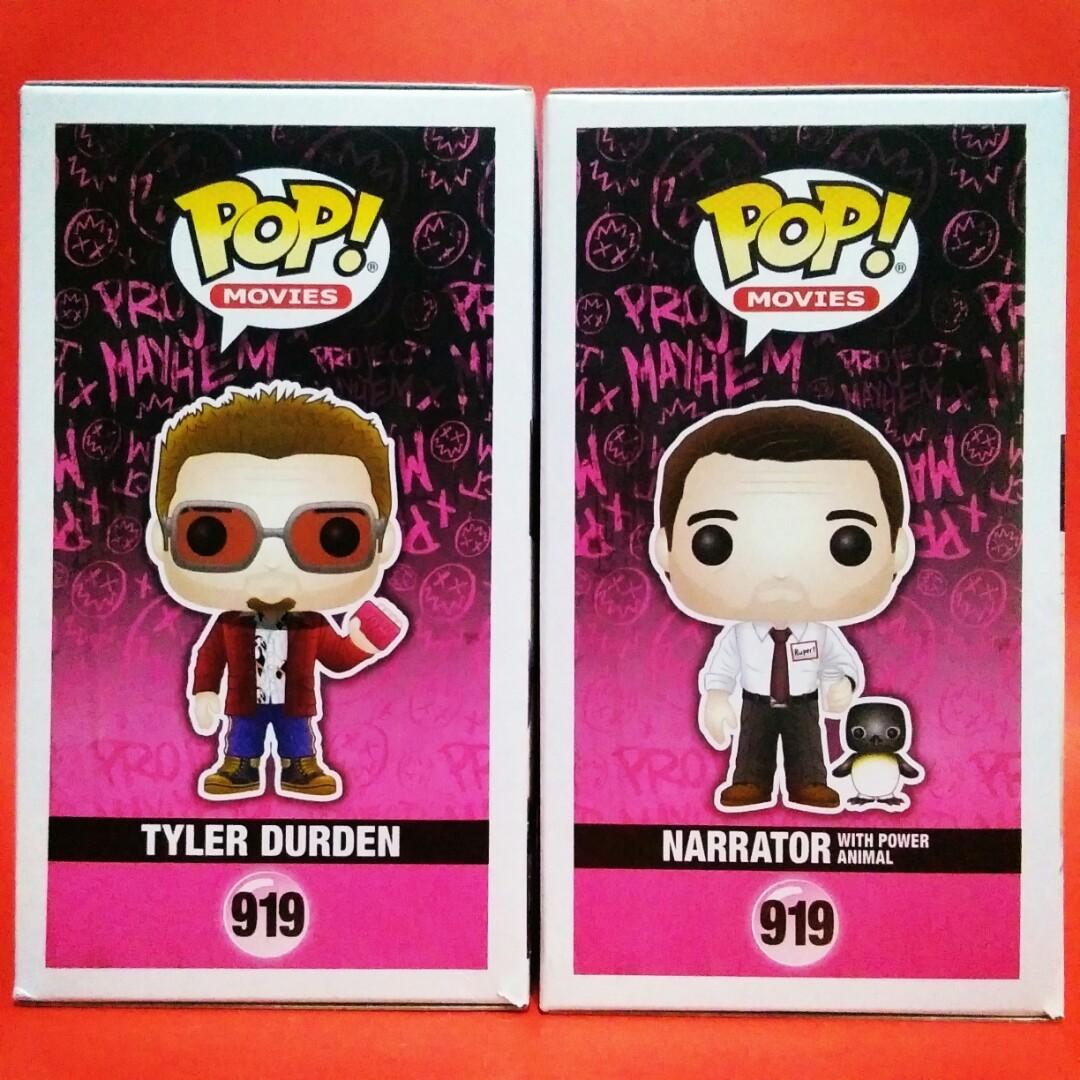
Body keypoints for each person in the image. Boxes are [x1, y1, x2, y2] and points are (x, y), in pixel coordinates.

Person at [146, 380, 406, 801]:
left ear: (384, 541)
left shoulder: (312, 624)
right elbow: (209, 659)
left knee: (297, 736)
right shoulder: (229, 625)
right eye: (214, 535)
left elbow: (336, 658)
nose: (271, 568)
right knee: (243, 736)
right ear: (161, 540)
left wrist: (365, 641)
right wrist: (204, 692)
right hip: (244, 701)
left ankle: (300, 767)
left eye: (332, 536)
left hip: (294, 702)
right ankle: (239, 766)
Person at [650, 401, 913, 812]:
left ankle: (810, 782)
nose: (781, 574)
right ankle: (749, 782)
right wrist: (715, 698)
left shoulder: (821, 634)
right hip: (754, 702)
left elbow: (839, 663)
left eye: (849, 543)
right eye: (714, 542)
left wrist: (841, 685)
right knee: (751, 746)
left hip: (804, 703)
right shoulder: (738, 635)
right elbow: (721, 670)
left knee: (806, 747)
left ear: (899, 550)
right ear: (664, 549)